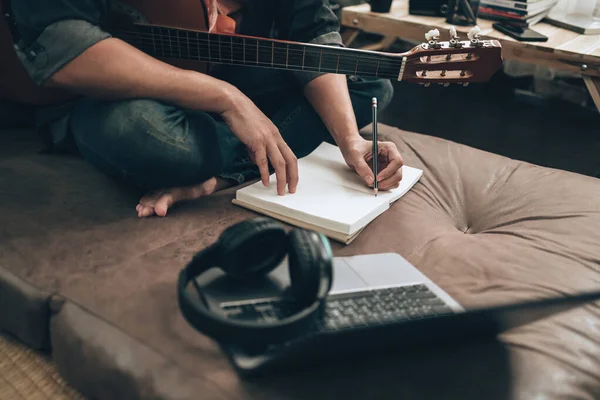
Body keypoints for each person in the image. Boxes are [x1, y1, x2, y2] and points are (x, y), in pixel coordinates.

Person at [9, 0, 403, 218]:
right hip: (100, 94)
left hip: (220, 71)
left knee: (368, 84)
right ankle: (214, 147)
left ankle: (217, 174)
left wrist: (350, 140)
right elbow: (63, 45)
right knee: (148, 135)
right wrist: (226, 99)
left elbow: (313, 34)